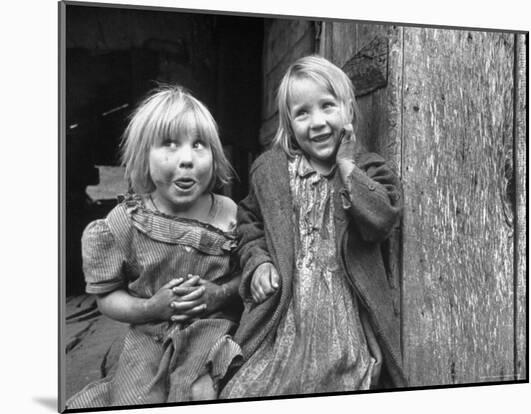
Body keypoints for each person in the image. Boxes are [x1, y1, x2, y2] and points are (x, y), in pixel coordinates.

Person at [220, 55, 407, 398]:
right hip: (285, 310)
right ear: (289, 123)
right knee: (245, 387)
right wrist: (258, 262)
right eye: (302, 113)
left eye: (327, 106)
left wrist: (347, 167)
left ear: (348, 110)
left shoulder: (369, 169)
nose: (317, 122)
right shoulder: (272, 171)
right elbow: (248, 223)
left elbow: (380, 220)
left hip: (342, 315)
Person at [66, 85, 242, 409]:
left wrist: (220, 294)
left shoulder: (231, 214)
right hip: (149, 337)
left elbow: (247, 273)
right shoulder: (127, 221)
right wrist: (150, 308)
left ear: (215, 158)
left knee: (212, 390)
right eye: (169, 145)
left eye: (199, 146)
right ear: (143, 158)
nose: (186, 159)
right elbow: (106, 297)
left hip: (215, 332)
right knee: (135, 398)